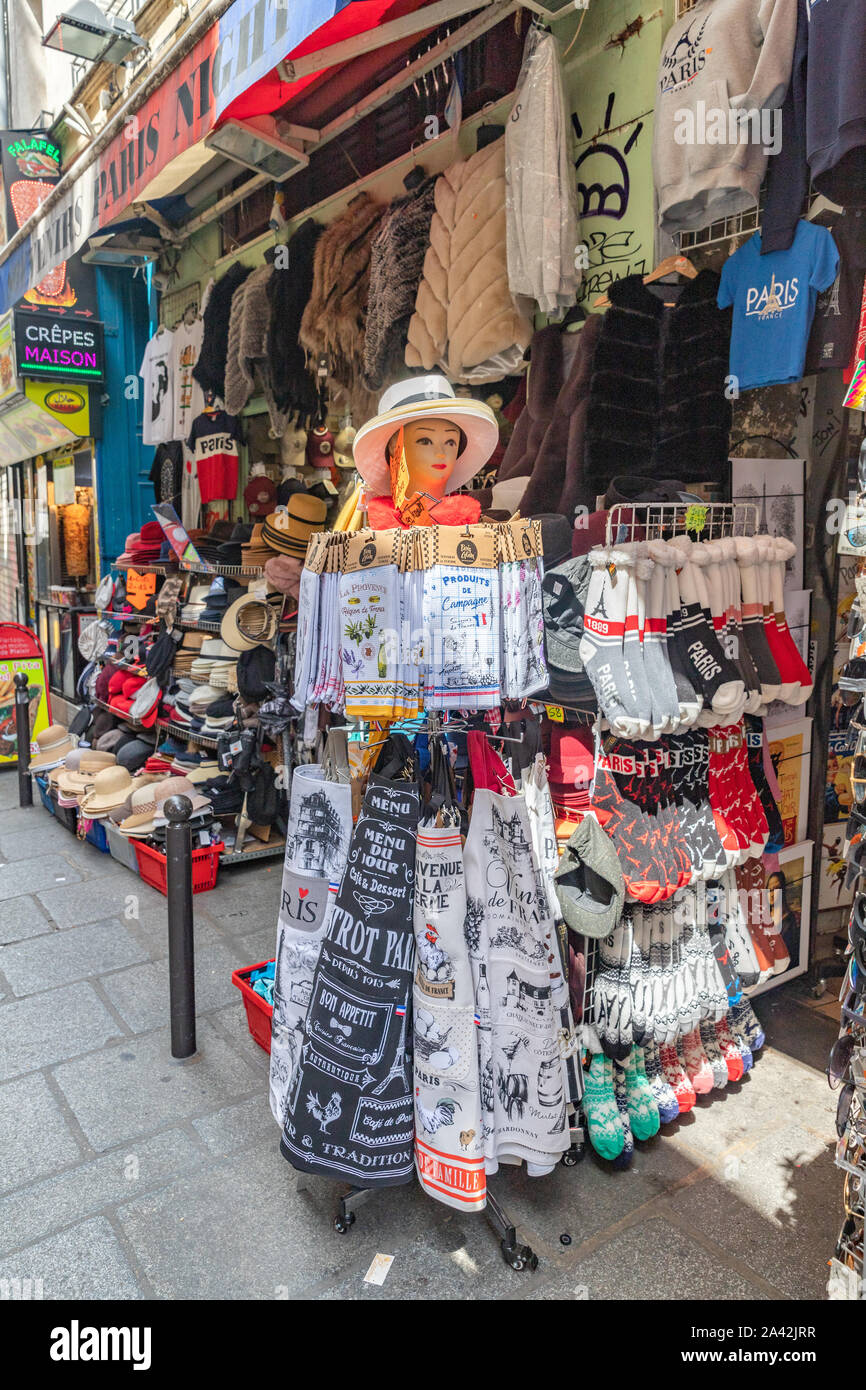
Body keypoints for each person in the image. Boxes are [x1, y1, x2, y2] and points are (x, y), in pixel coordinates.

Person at [351, 375, 499, 529]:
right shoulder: (383, 527)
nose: (441, 452)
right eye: (425, 441)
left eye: (450, 442)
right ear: (394, 447)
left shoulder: (467, 522)